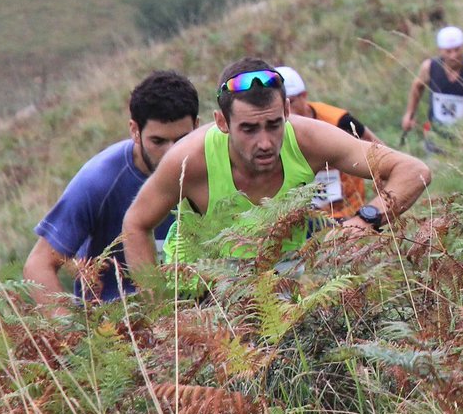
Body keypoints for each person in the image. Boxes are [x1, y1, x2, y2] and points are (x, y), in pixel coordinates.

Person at [121, 58, 431, 274]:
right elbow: (136, 224)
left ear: (286, 110)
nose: (265, 142)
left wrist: (364, 221)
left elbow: (413, 170)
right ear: (222, 122)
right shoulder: (189, 159)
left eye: (273, 124)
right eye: (248, 129)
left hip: (284, 282)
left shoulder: (309, 139)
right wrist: (159, 312)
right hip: (201, 290)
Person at [23, 70, 200, 308]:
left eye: (181, 140)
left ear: (197, 127)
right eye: (158, 141)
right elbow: (38, 265)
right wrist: (69, 329)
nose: (172, 154)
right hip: (112, 322)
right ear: (134, 130)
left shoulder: (211, 168)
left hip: (196, 320)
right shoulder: (98, 180)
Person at [276, 65, 381, 219]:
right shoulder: (272, 129)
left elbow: (379, 149)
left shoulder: (337, 120)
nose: (288, 110)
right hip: (300, 216)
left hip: (348, 210)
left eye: (291, 102)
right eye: (281, 105)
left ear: (304, 95)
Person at [401, 26, 463, 138]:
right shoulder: (430, 67)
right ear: (440, 50)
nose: (453, 55)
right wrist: (410, 113)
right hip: (435, 134)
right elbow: (417, 86)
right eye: (448, 51)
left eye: (457, 50)